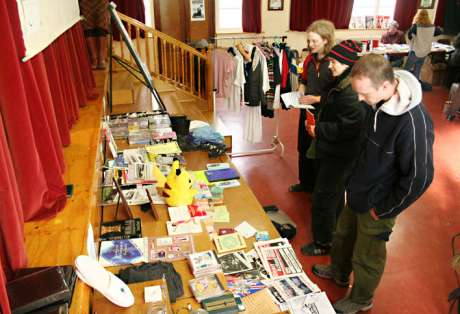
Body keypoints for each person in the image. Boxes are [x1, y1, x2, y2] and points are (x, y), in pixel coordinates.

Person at [312, 54, 434, 313]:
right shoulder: (375, 100)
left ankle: (361, 298)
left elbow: (419, 178)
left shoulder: (412, 123)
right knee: (343, 236)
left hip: (379, 204)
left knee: (367, 255)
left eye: (363, 94)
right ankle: (339, 272)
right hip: (358, 191)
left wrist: (384, 210)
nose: (359, 100)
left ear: (386, 86)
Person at [301, 40, 366, 256]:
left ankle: (323, 243)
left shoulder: (351, 93)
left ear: (348, 64)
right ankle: (333, 232)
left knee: (323, 198)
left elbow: (346, 129)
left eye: (335, 62)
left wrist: (318, 130)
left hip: (340, 154)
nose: (331, 66)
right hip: (337, 151)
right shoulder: (344, 82)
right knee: (335, 196)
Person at [289, 20, 335, 193]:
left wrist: (316, 99)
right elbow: (304, 79)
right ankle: (305, 183)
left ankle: (317, 188)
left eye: (314, 41)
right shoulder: (309, 58)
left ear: (326, 40)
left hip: (324, 113)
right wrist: (300, 90)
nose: (310, 45)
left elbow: (338, 95)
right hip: (306, 110)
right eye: (308, 41)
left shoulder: (334, 63)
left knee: (319, 152)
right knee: (303, 147)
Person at [404, 9, 443, 80]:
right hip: (425, 51)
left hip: (415, 51)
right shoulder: (432, 27)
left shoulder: (415, 26)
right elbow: (440, 31)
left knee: (406, 70)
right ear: (427, 16)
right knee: (417, 69)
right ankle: (416, 86)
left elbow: (409, 36)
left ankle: (403, 85)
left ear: (417, 16)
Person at [79, 0, 109, 69]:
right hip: (85, 2)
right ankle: (94, 58)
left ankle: (101, 58)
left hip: (101, 2)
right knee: (87, 26)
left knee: (101, 25)